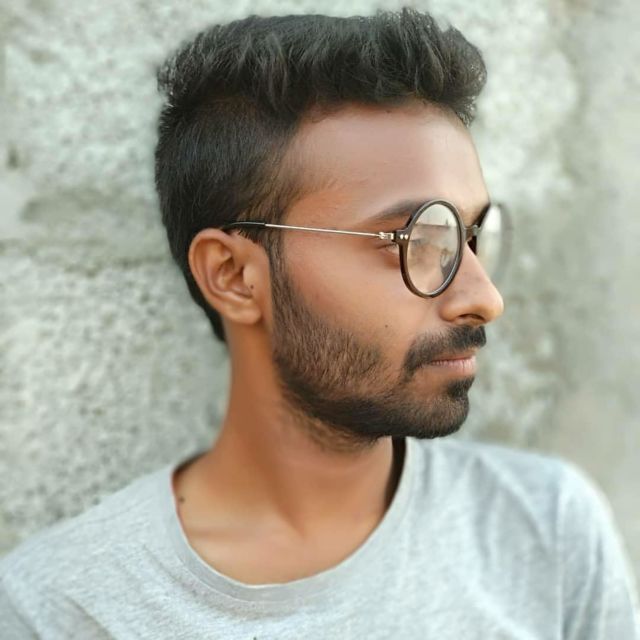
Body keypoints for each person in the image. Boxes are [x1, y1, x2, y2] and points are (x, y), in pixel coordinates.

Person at [1, 8, 638, 639]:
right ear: (233, 275)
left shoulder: (546, 534)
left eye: (470, 236)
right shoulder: (62, 608)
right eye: (413, 239)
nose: (484, 297)